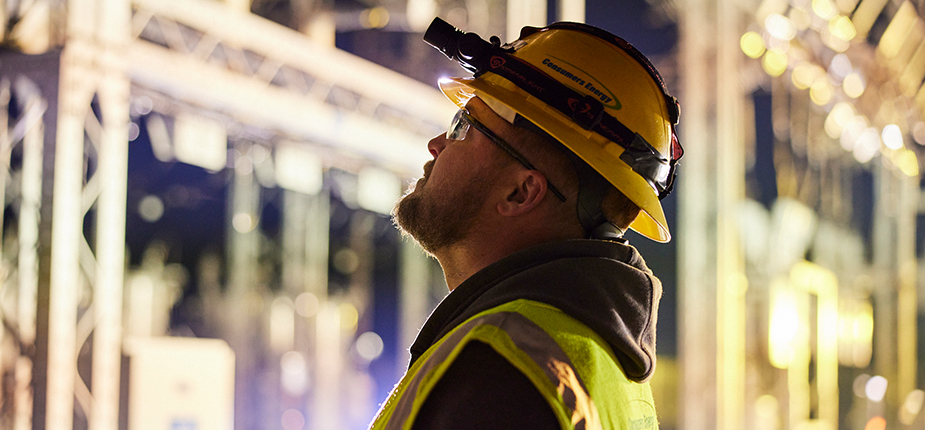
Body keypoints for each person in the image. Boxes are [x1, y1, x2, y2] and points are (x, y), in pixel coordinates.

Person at [370, 17, 683, 430]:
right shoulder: (597, 359)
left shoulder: (496, 374)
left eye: (464, 126)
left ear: (521, 192)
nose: (437, 144)